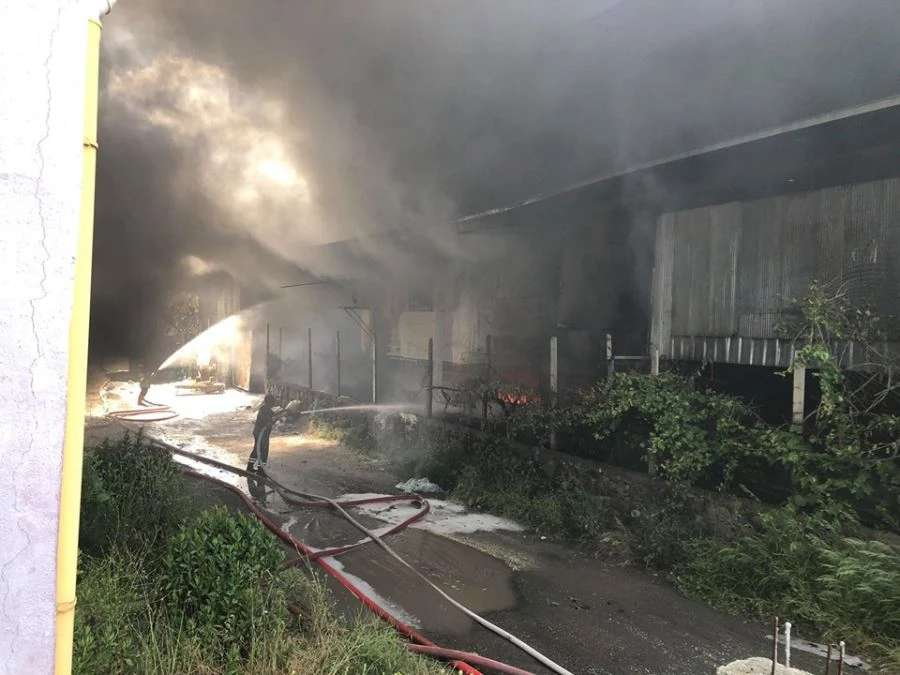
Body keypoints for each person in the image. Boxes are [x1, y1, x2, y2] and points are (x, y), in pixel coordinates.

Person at [248, 394, 281, 471]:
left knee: (259, 450)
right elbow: (268, 422)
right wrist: (274, 419)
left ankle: (254, 468)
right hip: (261, 434)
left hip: (262, 434)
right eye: (272, 402)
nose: (273, 403)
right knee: (261, 451)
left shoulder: (266, 410)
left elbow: (274, 416)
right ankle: (259, 469)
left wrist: (284, 413)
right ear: (268, 402)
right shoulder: (264, 411)